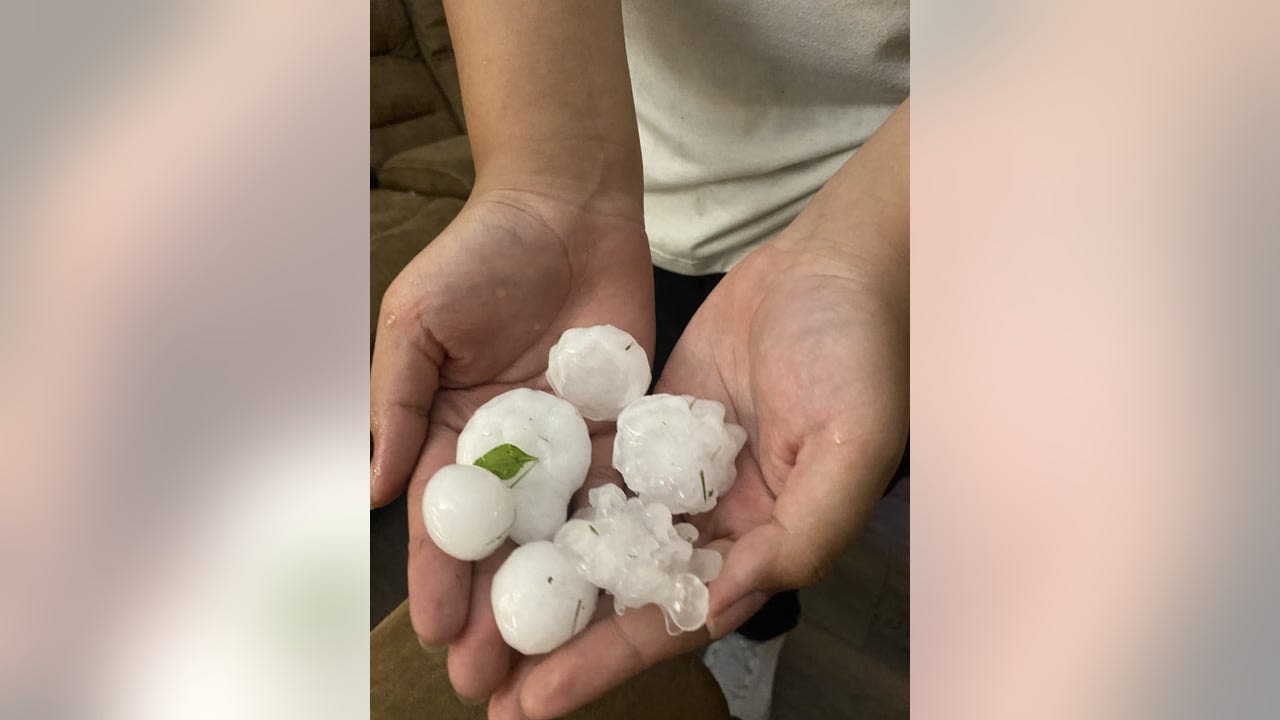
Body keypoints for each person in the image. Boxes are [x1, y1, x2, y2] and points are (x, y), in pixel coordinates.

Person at [369, 2, 908, 718]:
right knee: (753, 496)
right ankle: (751, 619)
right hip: (620, 164)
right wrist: (546, 167)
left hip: (929, 207)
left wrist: (873, 256)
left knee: (789, 480)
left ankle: (760, 628)